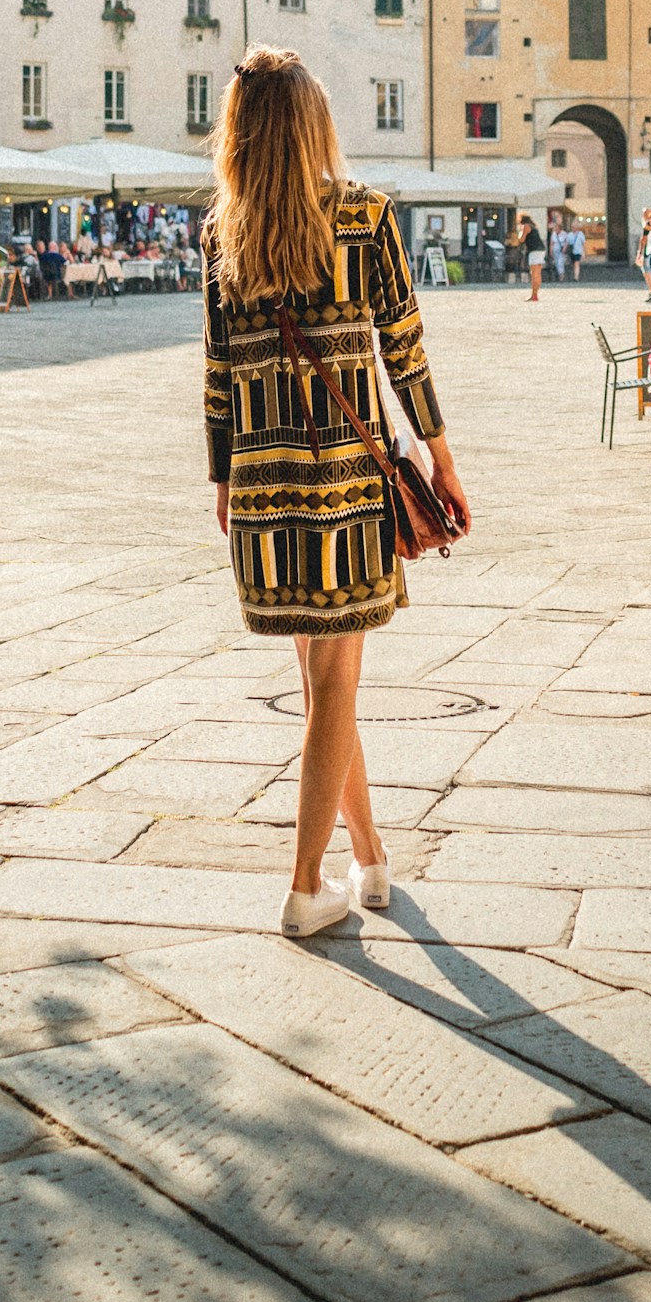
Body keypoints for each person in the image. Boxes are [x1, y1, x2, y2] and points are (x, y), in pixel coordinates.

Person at [203, 47, 469, 939]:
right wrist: (440, 458)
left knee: (325, 683)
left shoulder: (223, 234)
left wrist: (221, 478)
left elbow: (215, 378)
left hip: (264, 488)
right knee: (337, 681)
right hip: (346, 483)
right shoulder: (364, 216)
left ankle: (370, 857)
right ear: (312, 125)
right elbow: (405, 348)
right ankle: (304, 883)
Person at [517, 214, 546, 301]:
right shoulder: (533, 227)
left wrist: (519, 232)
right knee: (538, 272)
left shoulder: (526, 226)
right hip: (540, 250)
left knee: (534, 273)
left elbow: (521, 239)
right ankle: (535, 294)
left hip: (534, 250)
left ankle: (534, 295)